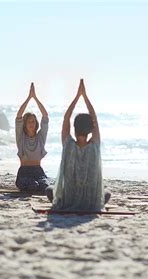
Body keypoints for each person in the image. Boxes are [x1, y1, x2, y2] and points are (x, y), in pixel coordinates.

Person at [46, 79, 111, 211]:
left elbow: (66, 118)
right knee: (107, 192)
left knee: (49, 190)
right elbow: (95, 118)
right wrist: (85, 96)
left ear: (74, 128)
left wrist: (77, 96)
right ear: (91, 130)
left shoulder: (68, 145)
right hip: (91, 201)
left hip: (68, 198)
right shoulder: (94, 147)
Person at [15, 83, 50, 192]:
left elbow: (45, 116)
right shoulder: (21, 137)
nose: (32, 123)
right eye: (29, 121)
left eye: (33, 121)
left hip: (38, 171)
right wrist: (29, 98)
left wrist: (35, 98)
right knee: (33, 186)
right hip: (24, 172)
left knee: (45, 187)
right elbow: (18, 117)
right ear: (25, 124)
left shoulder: (41, 137)